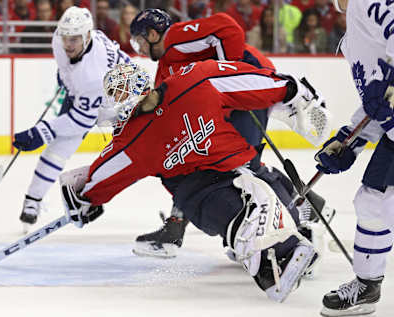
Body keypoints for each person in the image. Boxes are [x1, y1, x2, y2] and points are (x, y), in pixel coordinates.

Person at [59, 60, 323, 303]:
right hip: (202, 190)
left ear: (128, 94)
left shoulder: (192, 82)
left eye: (115, 94)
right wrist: (88, 195)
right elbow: (106, 173)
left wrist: (287, 89)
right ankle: (273, 255)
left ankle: (292, 226)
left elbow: (244, 82)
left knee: (262, 188)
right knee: (241, 208)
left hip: (241, 164)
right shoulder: (132, 140)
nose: (112, 102)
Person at [129, 8, 335, 258]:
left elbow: (227, 28)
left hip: (249, 87)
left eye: (139, 41)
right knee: (206, 164)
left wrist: (236, 79)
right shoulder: (165, 69)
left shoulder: (175, 38)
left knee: (242, 166)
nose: (139, 49)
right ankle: (306, 206)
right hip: (235, 97)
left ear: (152, 34)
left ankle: (297, 227)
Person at [12, 6, 130, 228]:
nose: (68, 44)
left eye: (74, 39)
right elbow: (67, 66)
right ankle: (33, 200)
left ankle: (180, 207)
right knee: (58, 150)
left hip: (123, 98)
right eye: (66, 38)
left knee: (137, 154)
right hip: (91, 93)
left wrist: (40, 131)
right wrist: (66, 79)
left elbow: (82, 120)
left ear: (87, 36)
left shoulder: (92, 73)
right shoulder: (60, 40)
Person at [315, 0, 394, 317]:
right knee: (372, 203)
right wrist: (350, 140)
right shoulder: (355, 27)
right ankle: (367, 283)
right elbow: (378, 102)